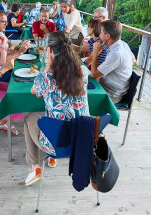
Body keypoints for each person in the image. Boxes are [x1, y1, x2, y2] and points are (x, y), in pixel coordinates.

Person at [24, 31, 90, 186]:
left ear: (50, 51)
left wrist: (47, 66)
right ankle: (49, 160)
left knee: (29, 117)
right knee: (55, 116)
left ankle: (35, 167)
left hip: (57, 143)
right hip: (83, 139)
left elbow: (34, 92)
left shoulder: (45, 78)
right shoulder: (83, 72)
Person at [91, 20, 133, 104]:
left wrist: (95, 52)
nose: (99, 35)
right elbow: (133, 61)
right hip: (106, 85)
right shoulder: (122, 44)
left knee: (83, 97)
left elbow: (94, 74)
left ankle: (98, 117)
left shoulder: (116, 53)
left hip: (112, 94)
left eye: (101, 32)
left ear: (107, 36)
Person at [0, 9, 31, 83]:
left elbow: (4, 52)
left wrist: (17, 50)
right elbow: (1, 61)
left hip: (4, 69)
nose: (6, 24)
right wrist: (20, 52)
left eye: (6, 22)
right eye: (3, 22)